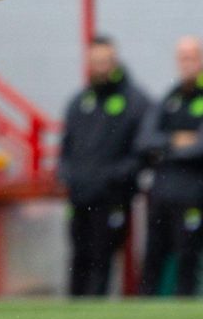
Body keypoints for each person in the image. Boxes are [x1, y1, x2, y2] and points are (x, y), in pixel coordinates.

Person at [135, 35, 203, 297]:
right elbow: (144, 141)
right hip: (161, 193)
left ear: (202, 60)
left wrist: (165, 148)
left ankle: (183, 314)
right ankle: (142, 316)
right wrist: (176, 140)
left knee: (187, 259)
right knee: (152, 257)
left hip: (195, 195)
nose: (187, 63)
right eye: (182, 58)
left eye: (192, 57)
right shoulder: (169, 99)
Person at [59, 36, 149, 297]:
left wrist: (115, 176)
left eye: (105, 61)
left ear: (114, 61)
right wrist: (67, 175)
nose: (100, 67)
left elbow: (142, 152)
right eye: (95, 61)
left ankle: (95, 315)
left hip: (112, 197)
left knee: (102, 257)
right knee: (79, 256)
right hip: (80, 196)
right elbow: (67, 146)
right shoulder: (80, 102)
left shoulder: (134, 102)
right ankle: (73, 315)